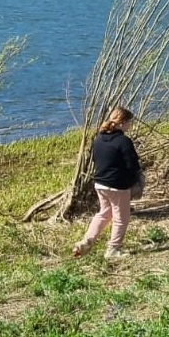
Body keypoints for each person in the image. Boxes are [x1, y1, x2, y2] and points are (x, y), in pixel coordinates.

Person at [73, 105, 142, 260]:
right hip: (118, 186)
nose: (130, 125)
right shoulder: (123, 141)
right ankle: (113, 250)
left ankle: (87, 241)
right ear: (122, 122)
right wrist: (133, 181)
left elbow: (96, 159)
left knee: (104, 213)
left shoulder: (98, 139)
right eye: (129, 122)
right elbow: (133, 165)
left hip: (100, 183)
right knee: (121, 218)